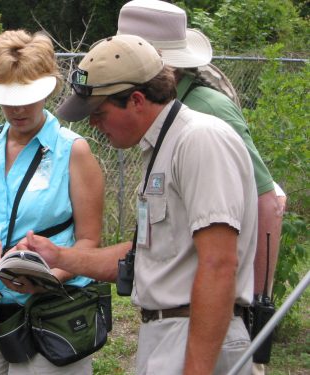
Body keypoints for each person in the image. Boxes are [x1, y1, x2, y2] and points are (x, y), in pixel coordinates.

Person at [18, 34, 258, 374]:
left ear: (137, 100)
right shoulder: (160, 146)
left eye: (99, 113)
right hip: (166, 334)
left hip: (194, 334)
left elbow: (219, 264)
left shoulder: (199, 140)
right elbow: (147, 257)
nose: (93, 126)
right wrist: (58, 257)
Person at [116, 3, 287, 372]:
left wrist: (253, 303)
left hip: (214, 319)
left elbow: (266, 201)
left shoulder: (205, 112)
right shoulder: (164, 115)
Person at [0, 30, 104, 375]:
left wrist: (47, 278)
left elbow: (89, 242)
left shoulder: (72, 151)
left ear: (48, 88)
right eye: (8, 96)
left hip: (49, 315)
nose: (17, 108)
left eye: (28, 96)